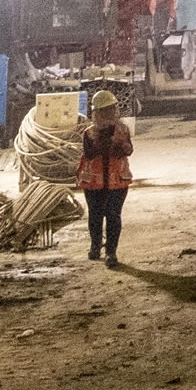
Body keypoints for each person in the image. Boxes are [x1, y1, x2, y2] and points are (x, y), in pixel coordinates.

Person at [77, 89, 134, 266]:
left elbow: (129, 150)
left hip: (117, 181)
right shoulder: (89, 133)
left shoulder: (123, 130)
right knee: (95, 215)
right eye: (104, 110)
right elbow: (89, 153)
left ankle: (111, 252)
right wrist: (103, 140)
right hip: (95, 182)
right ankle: (95, 246)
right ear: (97, 112)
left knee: (113, 215)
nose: (108, 113)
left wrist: (118, 143)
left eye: (111, 109)